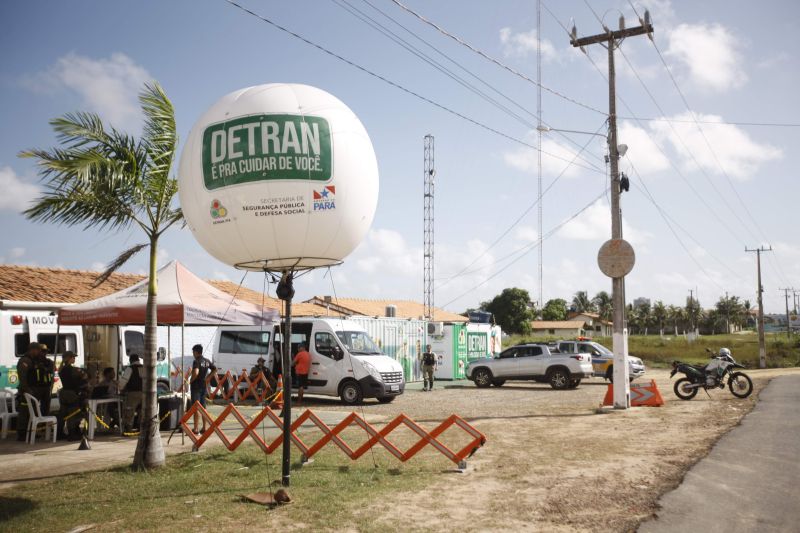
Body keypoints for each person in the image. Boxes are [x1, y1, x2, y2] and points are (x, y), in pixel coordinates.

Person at [16, 342, 55, 441]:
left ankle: (32, 431)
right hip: (29, 390)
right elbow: (23, 378)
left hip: (41, 389)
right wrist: (26, 390)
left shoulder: (40, 361)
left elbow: (50, 369)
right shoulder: (25, 360)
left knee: (37, 411)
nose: (40, 352)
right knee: (25, 411)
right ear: (32, 350)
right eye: (38, 350)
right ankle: (22, 434)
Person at [57, 351, 89, 440]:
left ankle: (59, 433)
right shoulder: (73, 369)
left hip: (63, 393)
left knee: (63, 413)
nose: (74, 359)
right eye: (73, 357)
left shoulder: (61, 369)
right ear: (68, 358)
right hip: (71, 394)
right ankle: (72, 433)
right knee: (73, 413)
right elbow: (84, 376)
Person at [118, 354, 144, 433]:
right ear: (138, 359)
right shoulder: (144, 367)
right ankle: (141, 427)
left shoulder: (130, 368)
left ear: (130, 360)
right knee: (142, 411)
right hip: (145, 393)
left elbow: (124, 381)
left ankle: (128, 429)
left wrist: (120, 389)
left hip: (133, 393)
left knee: (129, 411)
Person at [189, 344, 211, 434]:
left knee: (196, 408)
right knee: (203, 408)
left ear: (196, 352)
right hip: (203, 386)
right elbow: (215, 369)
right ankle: (205, 427)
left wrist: (191, 380)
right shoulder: (206, 361)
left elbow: (196, 372)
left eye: (193, 352)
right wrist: (208, 377)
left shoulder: (196, 361)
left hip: (196, 387)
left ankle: (196, 428)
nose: (193, 354)